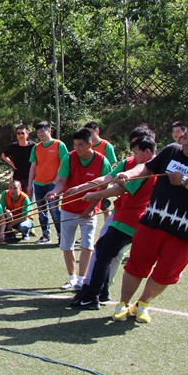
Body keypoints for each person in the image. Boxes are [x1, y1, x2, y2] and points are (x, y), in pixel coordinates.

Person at [111, 121, 188, 324]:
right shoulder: (171, 150)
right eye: (184, 137)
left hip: (184, 230)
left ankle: (142, 304)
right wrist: (128, 174)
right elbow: (147, 168)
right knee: (137, 264)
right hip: (153, 221)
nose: (185, 143)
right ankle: (123, 304)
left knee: (167, 273)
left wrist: (185, 181)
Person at [69, 132, 157, 310]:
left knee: (104, 252)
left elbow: (119, 189)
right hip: (123, 216)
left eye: (137, 152)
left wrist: (95, 195)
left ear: (147, 152)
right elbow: (108, 178)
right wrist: (82, 187)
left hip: (131, 219)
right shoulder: (133, 163)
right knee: (107, 253)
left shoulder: (147, 169)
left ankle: (91, 296)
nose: (134, 156)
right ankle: (101, 291)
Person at [47, 128, 111, 291]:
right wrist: (55, 192)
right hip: (68, 208)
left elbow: (104, 189)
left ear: (90, 144)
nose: (77, 148)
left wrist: (91, 208)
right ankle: (72, 278)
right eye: (75, 145)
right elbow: (61, 181)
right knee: (66, 245)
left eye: (81, 145)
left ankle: (82, 279)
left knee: (87, 245)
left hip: (89, 211)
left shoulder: (102, 161)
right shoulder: (69, 158)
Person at [27, 120, 69, 245]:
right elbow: (33, 167)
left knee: (54, 210)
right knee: (41, 211)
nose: (40, 134)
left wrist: (57, 180)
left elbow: (65, 163)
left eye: (43, 131)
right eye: (38, 132)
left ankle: (62, 236)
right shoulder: (36, 147)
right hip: (38, 184)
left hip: (53, 184)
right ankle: (45, 235)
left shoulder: (59, 145)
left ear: (49, 130)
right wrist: (30, 183)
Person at [0, 124, 34, 194]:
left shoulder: (33, 146)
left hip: (29, 175)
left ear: (27, 134)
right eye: (18, 133)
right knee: (17, 195)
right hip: (17, 175)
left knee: (28, 195)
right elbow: (3, 155)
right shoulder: (13, 146)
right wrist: (12, 164)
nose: (20, 135)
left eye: (22, 133)